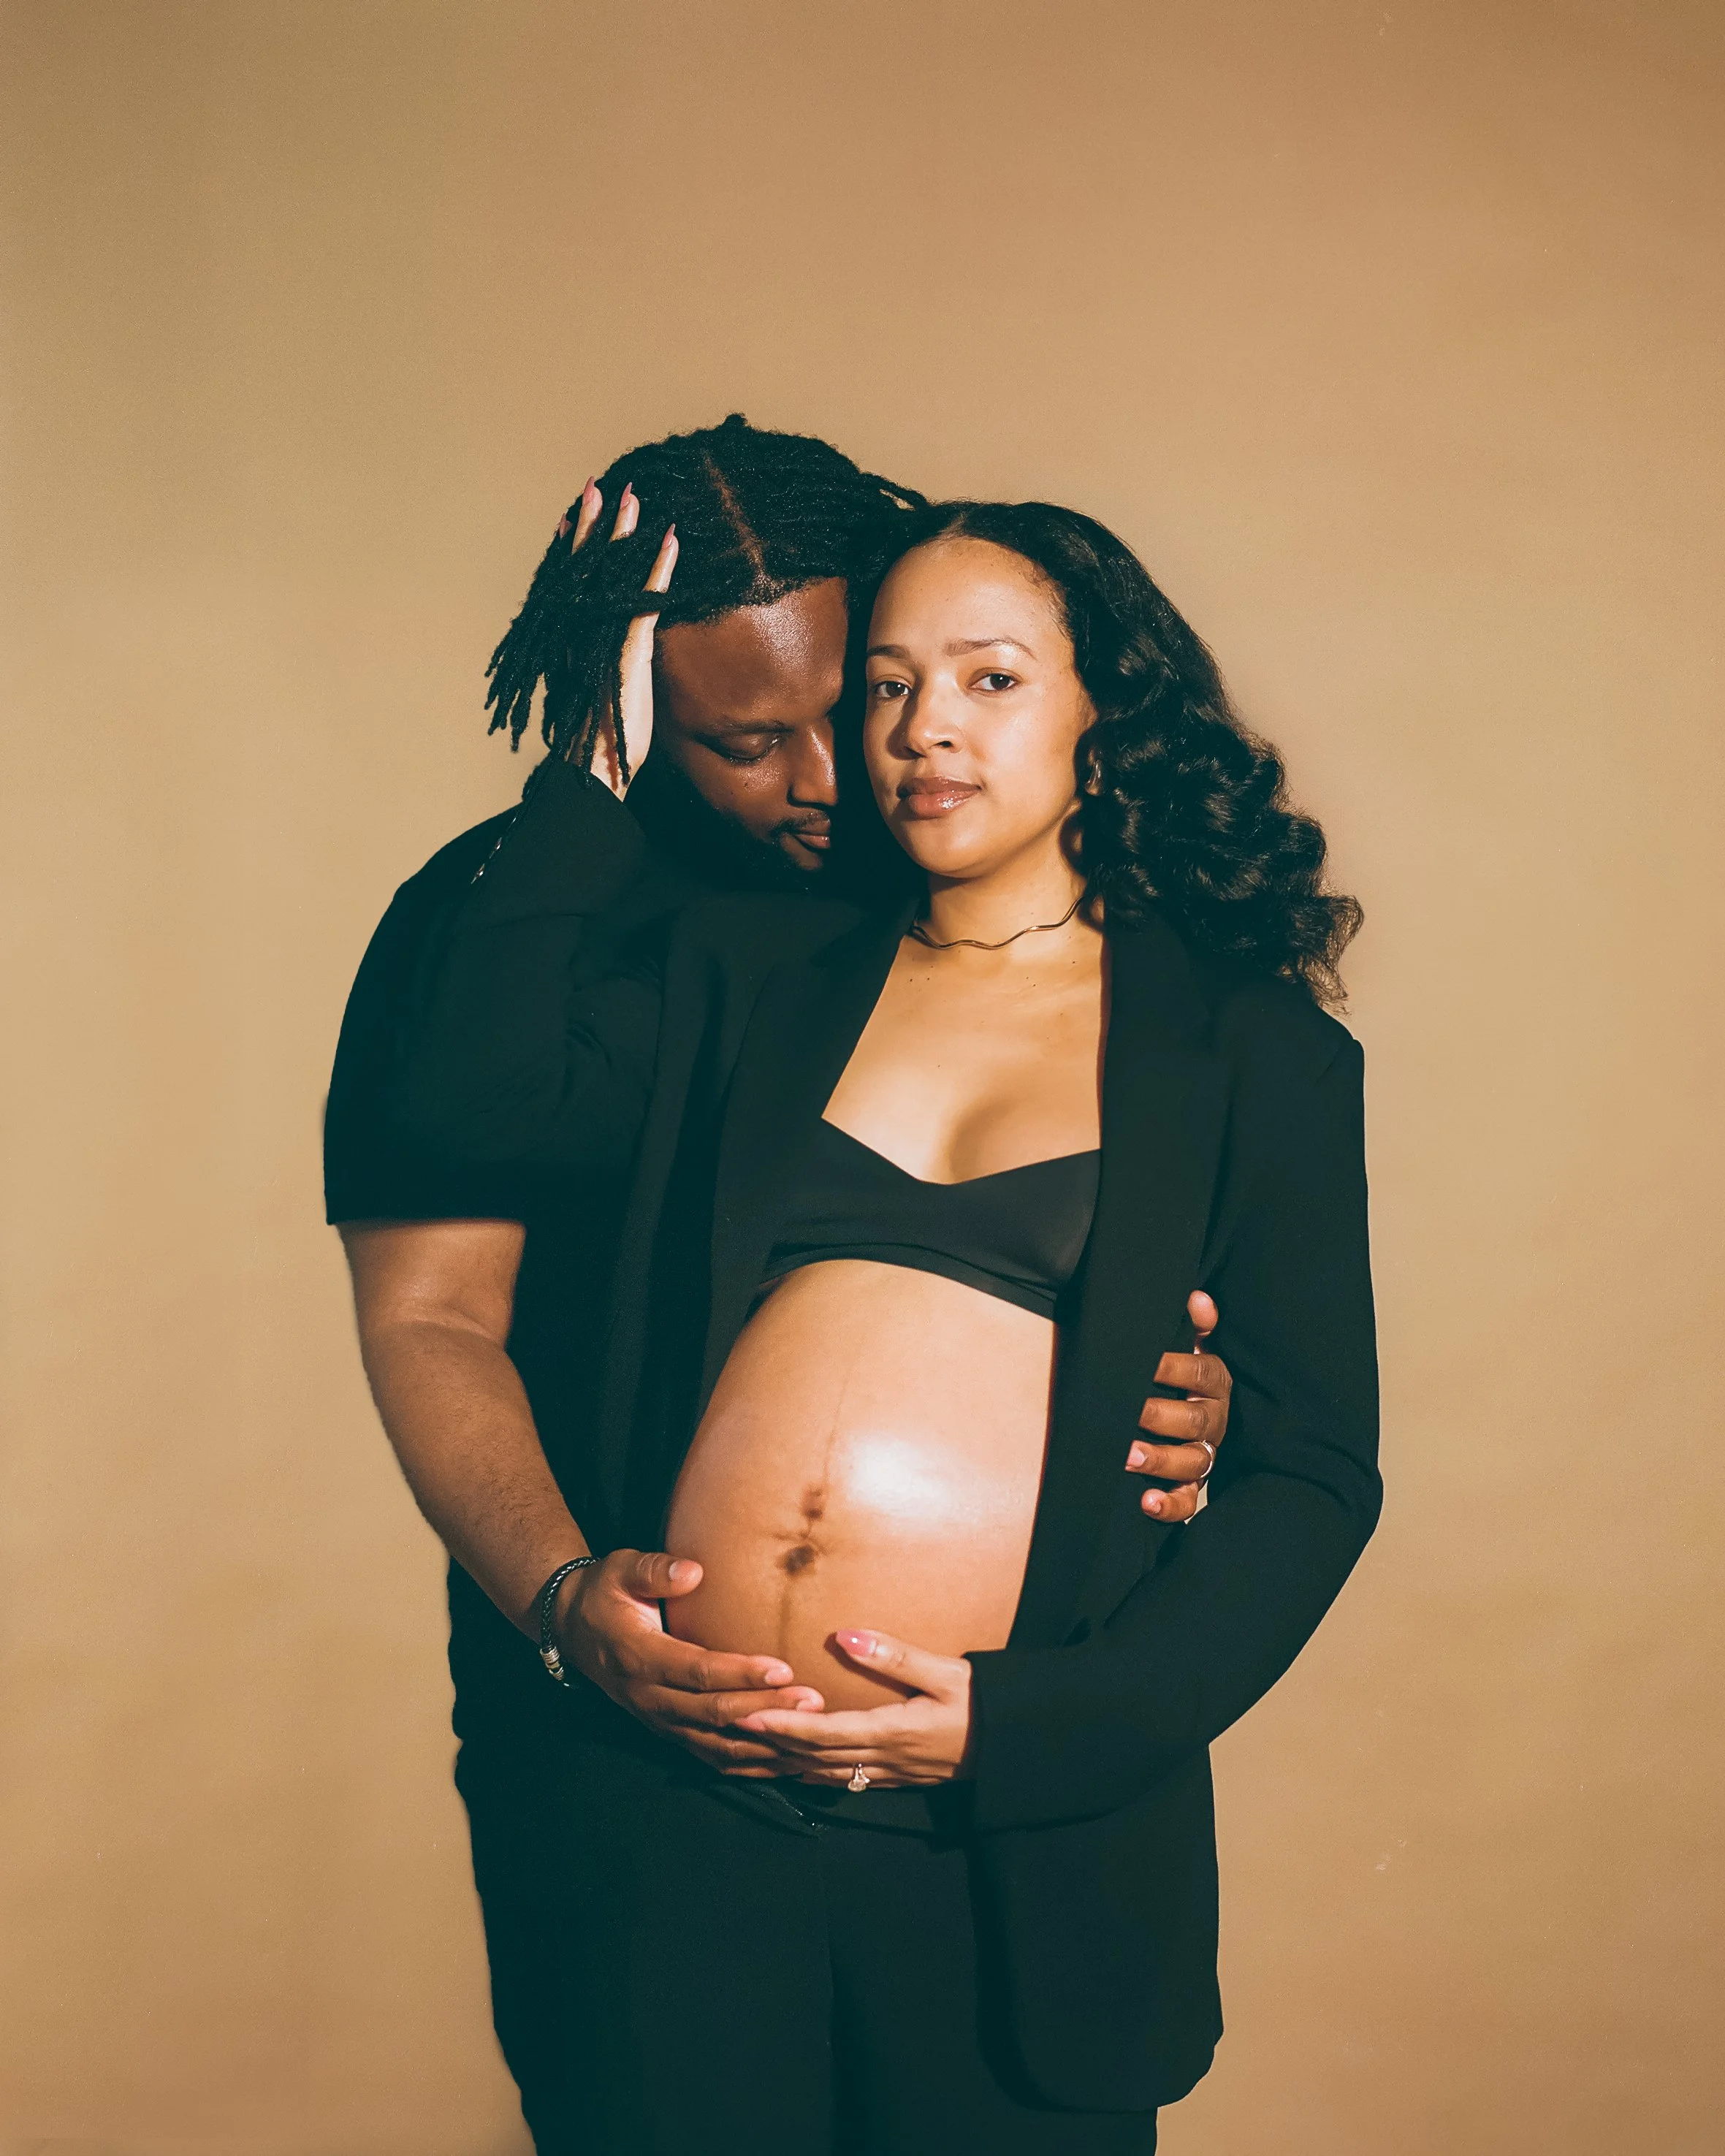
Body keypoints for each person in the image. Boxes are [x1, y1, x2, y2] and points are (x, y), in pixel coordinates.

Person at [389, 496, 1379, 2149]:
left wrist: (1039, 1728)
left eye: (990, 679)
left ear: (1098, 709)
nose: (923, 730)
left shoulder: (1250, 1055)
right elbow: (460, 1103)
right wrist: (591, 766)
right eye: (889, 685)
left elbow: (1310, 1476)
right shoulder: (748, 966)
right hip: (683, 1827)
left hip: (1009, 1857)